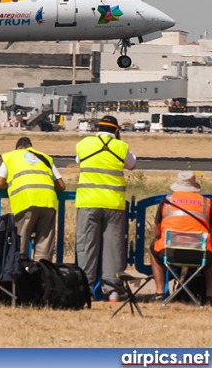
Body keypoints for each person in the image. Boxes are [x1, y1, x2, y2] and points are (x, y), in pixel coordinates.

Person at [74, 114, 136, 302]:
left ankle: (86, 289)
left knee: (86, 247)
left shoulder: (84, 144)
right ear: (116, 131)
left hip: (88, 203)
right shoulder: (121, 147)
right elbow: (132, 164)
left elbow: (78, 161)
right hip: (113, 204)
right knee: (113, 248)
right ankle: (114, 291)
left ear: (97, 129)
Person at [0, 136, 65, 262]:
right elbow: (61, 185)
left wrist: (11, 185)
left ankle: (22, 273)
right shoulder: (44, 157)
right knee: (45, 244)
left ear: (17, 148)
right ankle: (42, 274)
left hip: (25, 201)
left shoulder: (11, 156)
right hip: (48, 202)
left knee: (20, 242)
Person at [149, 171, 212, 304]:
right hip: (201, 255)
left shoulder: (166, 201)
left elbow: (157, 233)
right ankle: (209, 296)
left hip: (171, 253)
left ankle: (160, 293)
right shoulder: (206, 203)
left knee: (153, 247)